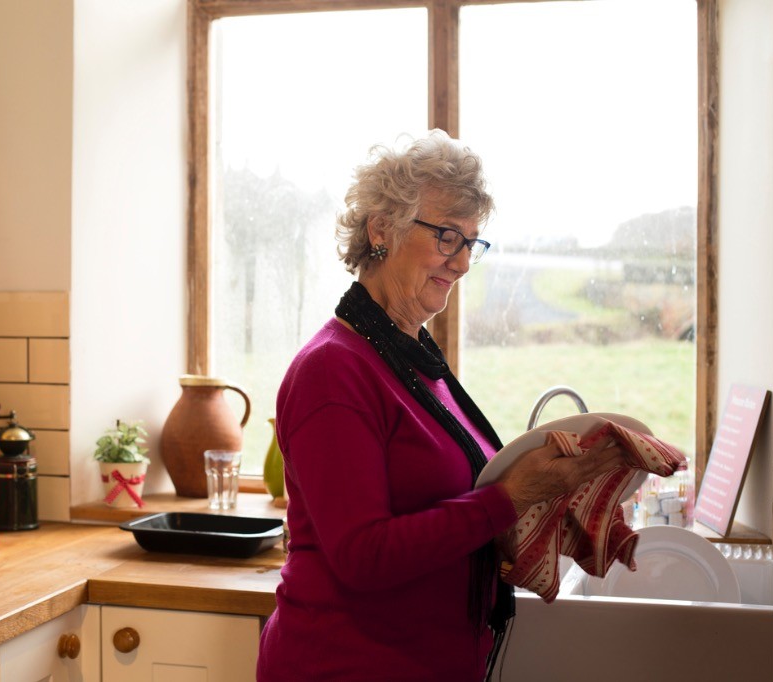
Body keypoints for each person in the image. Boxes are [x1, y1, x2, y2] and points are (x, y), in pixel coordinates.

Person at [256, 130, 629, 681]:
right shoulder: (333, 370)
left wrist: (555, 514)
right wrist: (509, 499)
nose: (462, 263)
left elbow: (450, 514)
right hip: (345, 665)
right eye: (447, 236)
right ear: (381, 229)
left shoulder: (411, 362)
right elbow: (364, 555)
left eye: (472, 242)